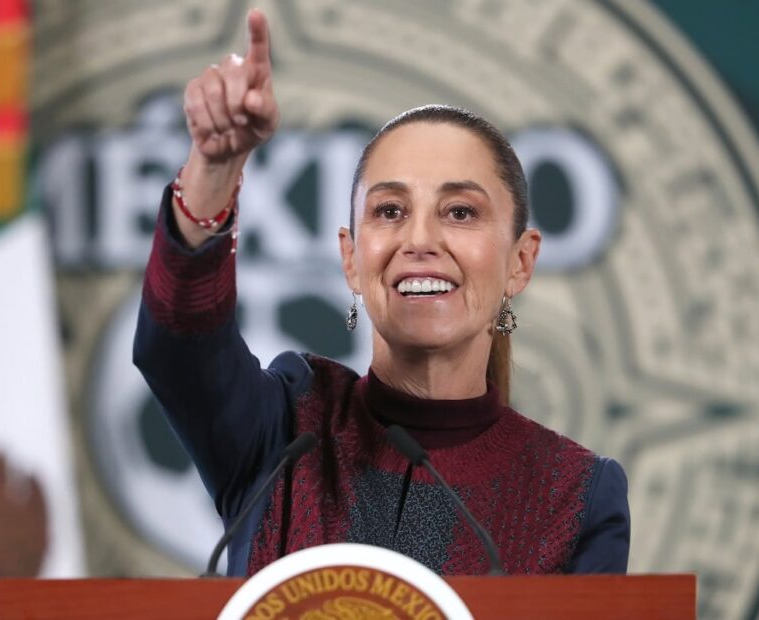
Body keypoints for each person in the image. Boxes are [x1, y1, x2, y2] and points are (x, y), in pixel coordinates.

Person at [133, 8, 630, 577]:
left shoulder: (576, 496)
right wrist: (214, 169)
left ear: (521, 262)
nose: (419, 240)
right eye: (390, 210)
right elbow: (179, 349)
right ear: (351, 258)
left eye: (460, 212)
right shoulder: (287, 429)